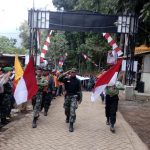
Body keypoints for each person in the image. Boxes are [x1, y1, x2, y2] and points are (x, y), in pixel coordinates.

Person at [58, 68, 82, 132]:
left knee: (72, 110)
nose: (73, 73)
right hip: (67, 97)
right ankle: (67, 117)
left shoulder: (78, 81)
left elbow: (79, 90)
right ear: (70, 73)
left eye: (74, 72)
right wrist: (66, 72)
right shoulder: (66, 79)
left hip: (74, 97)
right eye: (72, 72)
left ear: (76, 73)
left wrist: (80, 99)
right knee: (66, 110)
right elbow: (59, 79)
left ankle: (71, 124)